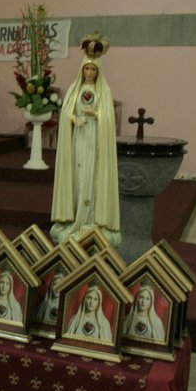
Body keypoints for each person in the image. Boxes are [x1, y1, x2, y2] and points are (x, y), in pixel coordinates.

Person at [51, 32, 120, 246]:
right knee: (78, 175)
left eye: (93, 69)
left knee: (91, 176)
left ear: (98, 71)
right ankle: (76, 218)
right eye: (87, 69)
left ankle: (91, 219)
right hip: (78, 139)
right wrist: (73, 119)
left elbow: (109, 118)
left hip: (95, 141)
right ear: (82, 70)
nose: (89, 73)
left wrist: (96, 115)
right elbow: (65, 113)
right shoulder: (75, 89)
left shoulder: (104, 90)